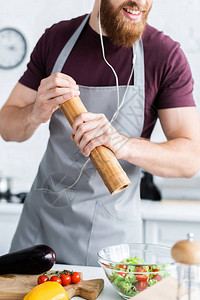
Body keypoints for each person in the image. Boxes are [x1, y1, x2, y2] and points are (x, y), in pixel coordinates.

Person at [0, 0, 200, 266]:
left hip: (110, 242)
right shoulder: (56, 40)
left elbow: (191, 158)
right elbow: (6, 127)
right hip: (39, 234)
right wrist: (35, 112)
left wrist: (123, 144)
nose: (140, 2)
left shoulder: (164, 55)